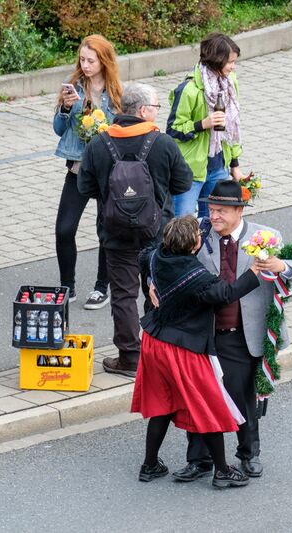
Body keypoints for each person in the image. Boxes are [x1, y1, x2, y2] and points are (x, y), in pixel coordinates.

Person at [172, 180, 292, 482]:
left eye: (220, 211)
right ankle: (199, 459)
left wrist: (281, 265)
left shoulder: (267, 236)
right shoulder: (199, 233)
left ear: (238, 210)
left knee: (243, 397)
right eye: (211, 209)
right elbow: (167, 258)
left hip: (242, 333)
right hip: (203, 332)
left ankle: (249, 454)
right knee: (199, 396)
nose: (213, 216)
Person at [133, 216, 261, 488]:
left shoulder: (157, 256)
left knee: (163, 404)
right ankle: (223, 471)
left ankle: (150, 465)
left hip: (153, 340)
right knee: (209, 403)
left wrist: (150, 283)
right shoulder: (197, 277)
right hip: (182, 347)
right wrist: (254, 274)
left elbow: (143, 256)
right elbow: (226, 293)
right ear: (195, 246)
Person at [78, 82, 193, 377]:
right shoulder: (163, 143)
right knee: (157, 291)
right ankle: (160, 353)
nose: (157, 113)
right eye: (155, 108)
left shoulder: (98, 144)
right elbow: (183, 184)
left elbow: (85, 187)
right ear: (143, 111)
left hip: (115, 235)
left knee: (123, 295)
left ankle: (130, 358)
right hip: (157, 235)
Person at [53, 35, 122, 310]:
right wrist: (67, 108)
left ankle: (101, 287)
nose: (85, 65)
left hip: (107, 170)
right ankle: (67, 285)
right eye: (82, 59)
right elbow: (58, 130)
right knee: (64, 229)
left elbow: (122, 130)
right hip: (78, 168)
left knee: (105, 229)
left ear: (103, 61)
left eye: (91, 60)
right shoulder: (75, 89)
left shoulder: (116, 93)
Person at [167, 33, 245, 218]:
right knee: (183, 224)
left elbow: (231, 128)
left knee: (213, 223)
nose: (233, 67)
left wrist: (234, 164)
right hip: (191, 171)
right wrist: (203, 124)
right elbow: (173, 129)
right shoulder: (188, 90)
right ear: (217, 60)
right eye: (230, 62)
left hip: (219, 167)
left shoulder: (229, 83)